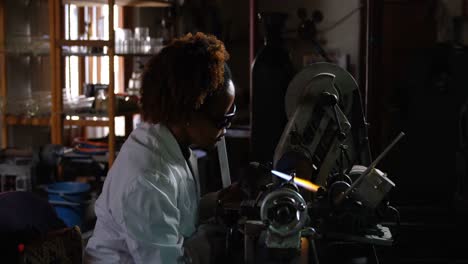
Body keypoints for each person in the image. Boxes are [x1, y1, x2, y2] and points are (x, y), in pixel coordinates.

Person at [84, 32, 236, 263]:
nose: (225, 130)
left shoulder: (172, 144)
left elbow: (176, 214)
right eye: (221, 120)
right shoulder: (147, 178)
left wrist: (217, 203)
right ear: (188, 113)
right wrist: (213, 237)